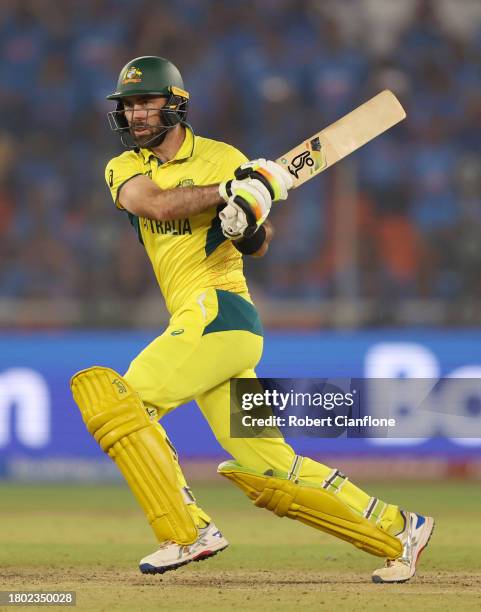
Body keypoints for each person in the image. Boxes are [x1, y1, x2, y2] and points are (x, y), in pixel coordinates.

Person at [70, 56, 434, 583]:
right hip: (212, 329)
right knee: (270, 468)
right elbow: (156, 207)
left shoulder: (225, 158)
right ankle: (401, 528)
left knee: (122, 404)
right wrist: (233, 193)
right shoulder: (125, 168)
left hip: (219, 310)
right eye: (128, 105)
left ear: (174, 104)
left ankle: (186, 531)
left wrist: (246, 220)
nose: (136, 114)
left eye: (146, 102)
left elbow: (259, 244)